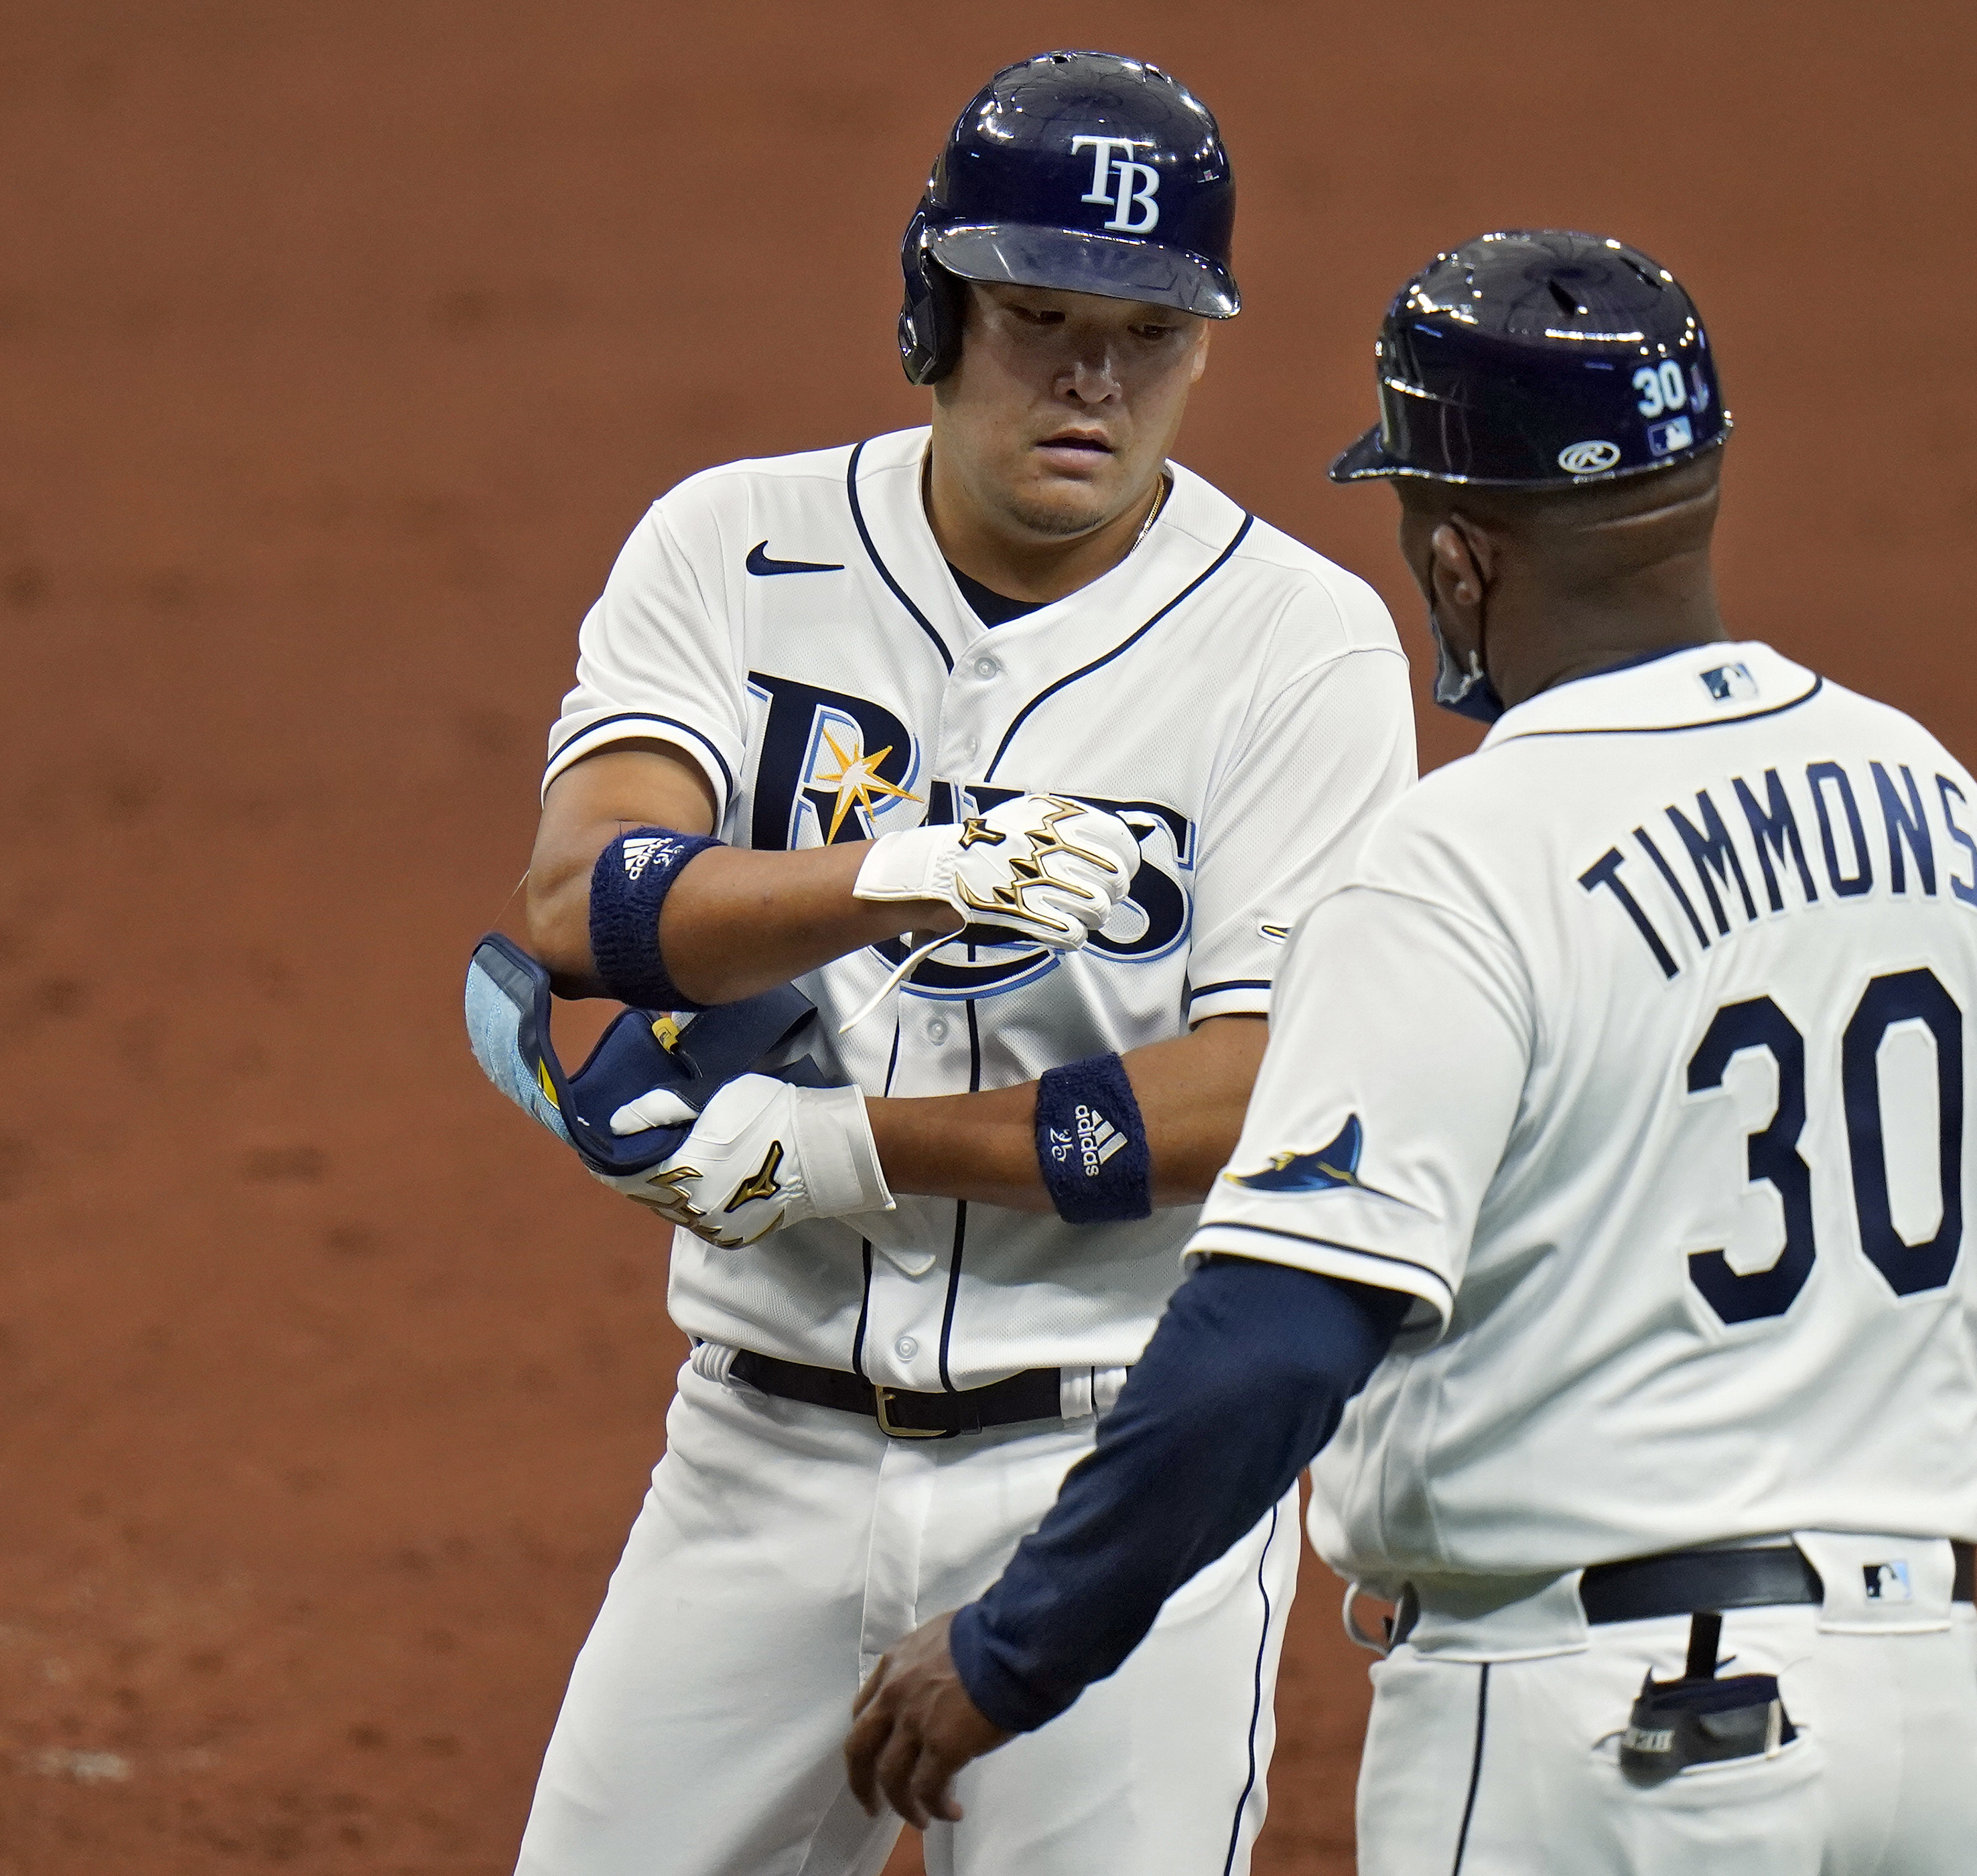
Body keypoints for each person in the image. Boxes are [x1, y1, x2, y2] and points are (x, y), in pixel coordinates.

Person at [842, 229, 1977, 1876]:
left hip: (1611, 1728)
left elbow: (1274, 1341)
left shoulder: (1462, 855)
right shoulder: (1944, 806)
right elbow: (1965, 1220)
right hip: (1933, 1717)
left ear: (1464, 556)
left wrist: (1009, 1647)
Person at [502, 51, 1416, 1876]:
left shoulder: (1301, 648)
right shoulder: (731, 548)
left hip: (1110, 1483)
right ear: (932, 309)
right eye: (1039, 317)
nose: (1092, 376)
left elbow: (1255, 1092)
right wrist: (890, 877)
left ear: (1206, 350)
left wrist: (848, 1151)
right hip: (755, 1460)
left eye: (1147, 332)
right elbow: (582, 897)